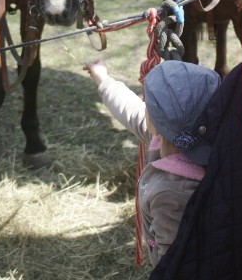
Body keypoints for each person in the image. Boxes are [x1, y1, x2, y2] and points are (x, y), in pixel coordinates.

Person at [83, 59, 220, 266]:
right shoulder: (174, 138)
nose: (143, 107)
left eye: (149, 105)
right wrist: (104, 79)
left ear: (156, 124)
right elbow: (130, 110)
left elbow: (175, 265)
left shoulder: (173, 194)